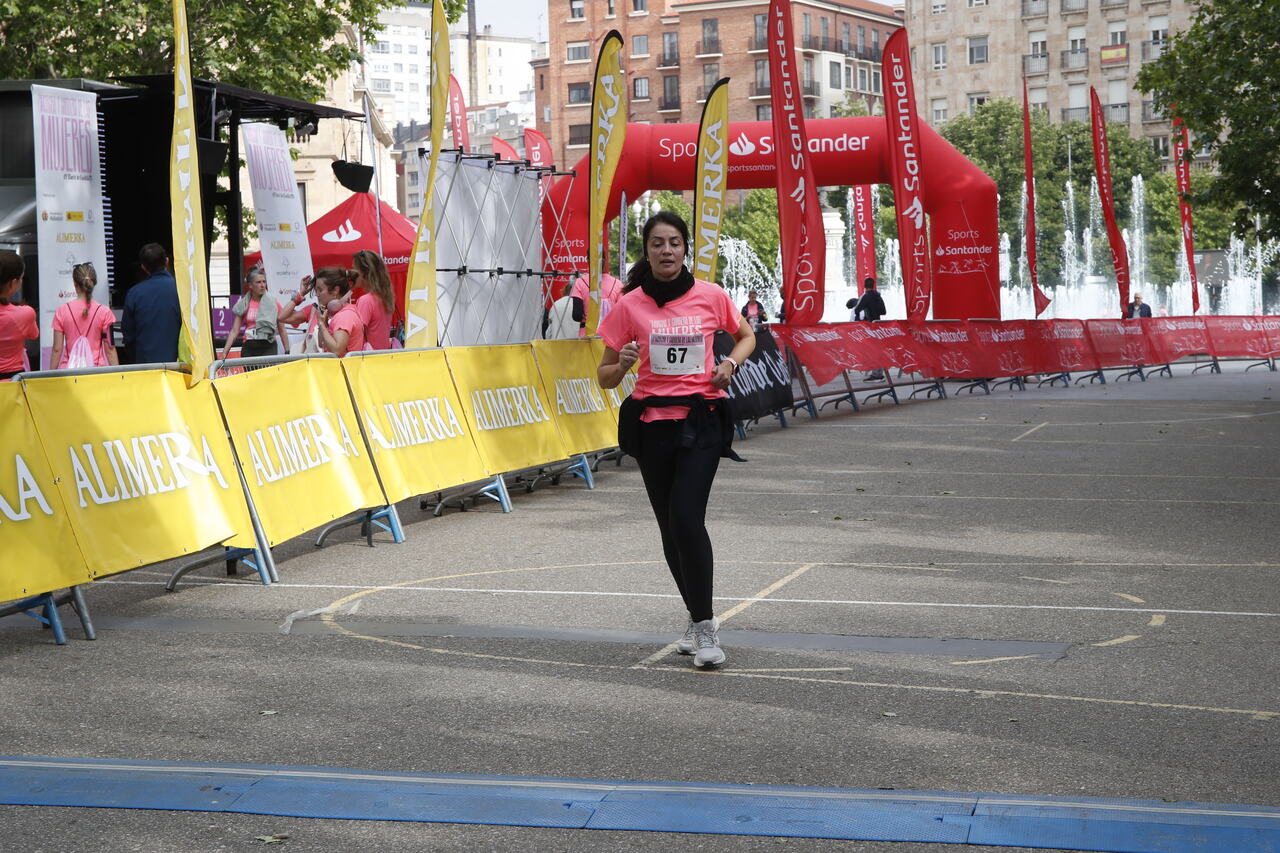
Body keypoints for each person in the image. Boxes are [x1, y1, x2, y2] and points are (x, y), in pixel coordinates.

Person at [596, 210, 755, 670]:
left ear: (686, 249)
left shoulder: (711, 295)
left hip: (701, 420)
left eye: (674, 243)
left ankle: (705, 628)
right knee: (669, 529)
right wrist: (623, 364)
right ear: (646, 252)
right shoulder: (629, 305)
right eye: (657, 243)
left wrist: (729, 365)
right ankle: (697, 614)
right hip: (652, 425)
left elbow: (746, 336)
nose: (666, 251)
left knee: (686, 518)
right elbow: (604, 376)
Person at [50, 262, 118, 369]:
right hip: (95, 372)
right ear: (93, 283)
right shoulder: (105, 312)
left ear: (74, 283)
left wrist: (51, 373)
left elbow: (57, 349)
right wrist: (118, 375)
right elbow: (110, 349)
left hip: (69, 372)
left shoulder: (61, 311)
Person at [122, 243, 181, 363]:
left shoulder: (134, 293)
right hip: (178, 365)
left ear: (143, 267)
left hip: (145, 364)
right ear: (167, 261)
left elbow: (128, 334)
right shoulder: (182, 290)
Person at [220, 266, 290, 359]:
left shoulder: (274, 302)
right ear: (250, 285)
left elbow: (282, 329)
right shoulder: (244, 304)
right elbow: (234, 331)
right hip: (249, 346)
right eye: (258, 282)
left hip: (268, 345)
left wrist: (287, 351)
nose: (262, 285)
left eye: (264, 282)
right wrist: (224, 353)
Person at [0, 251, 37, 381]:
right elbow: (33, 334)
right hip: (12, 383)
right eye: (21, 278)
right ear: (13, 283)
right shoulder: (25, 314)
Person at [314, 268, 365, 356]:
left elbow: (337, 350)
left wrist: (321, 324)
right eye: (316, 290)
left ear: (335, 290)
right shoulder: (345, 312)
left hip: (344, 365)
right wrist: (323, 324)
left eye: (320, 290)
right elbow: (321, 343)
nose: (317, 294)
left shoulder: (344, 316)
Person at [352, 249, 395, 350]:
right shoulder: (385, 297)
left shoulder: (366, 301)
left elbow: (356, 334)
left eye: (354, 270)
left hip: (368, 356)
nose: (352, 274)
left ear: (364, 273)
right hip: (382, 354)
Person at [848, 277, 887, 380]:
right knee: (877, 350)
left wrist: (865, 308)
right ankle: (878, 373)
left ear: (864, 286)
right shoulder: (878, 296)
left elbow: (857, 310)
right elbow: (883, 311)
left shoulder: (866, 296)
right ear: (873, 285)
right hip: (878, 325)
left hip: (869, 326)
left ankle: (876, 375)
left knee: (872, 350)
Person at [571, 270, 624, 336]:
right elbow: (621, 314)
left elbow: (577, 316)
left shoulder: (580, 282)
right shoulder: (618, 284)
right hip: (610, 335)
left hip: (587, 334)